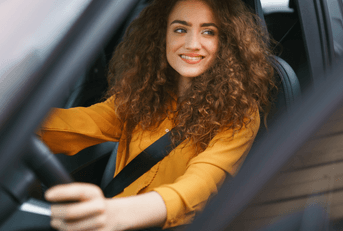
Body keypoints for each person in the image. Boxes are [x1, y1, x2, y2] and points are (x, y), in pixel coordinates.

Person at [39, 0, 275, 230]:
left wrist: (115, 214)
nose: (192, 44)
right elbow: (75, 125)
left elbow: (197, 187)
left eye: (209, 32)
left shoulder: (238, 114)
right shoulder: (141, 93)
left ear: (226, 41)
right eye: (180, 29)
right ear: (162, 35)